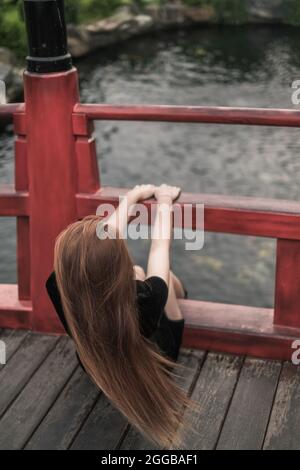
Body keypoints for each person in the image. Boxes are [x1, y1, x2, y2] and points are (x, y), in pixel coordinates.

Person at [46, 184, 193, 448]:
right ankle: (183, 293)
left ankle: (169, 287)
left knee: (137, 272)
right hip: (156, 364)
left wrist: (132, 197)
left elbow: (97, 247)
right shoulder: (145, 300)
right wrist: (164, 201)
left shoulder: (59, 288)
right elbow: (159, 247)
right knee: (165, 279)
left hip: (98, 369)